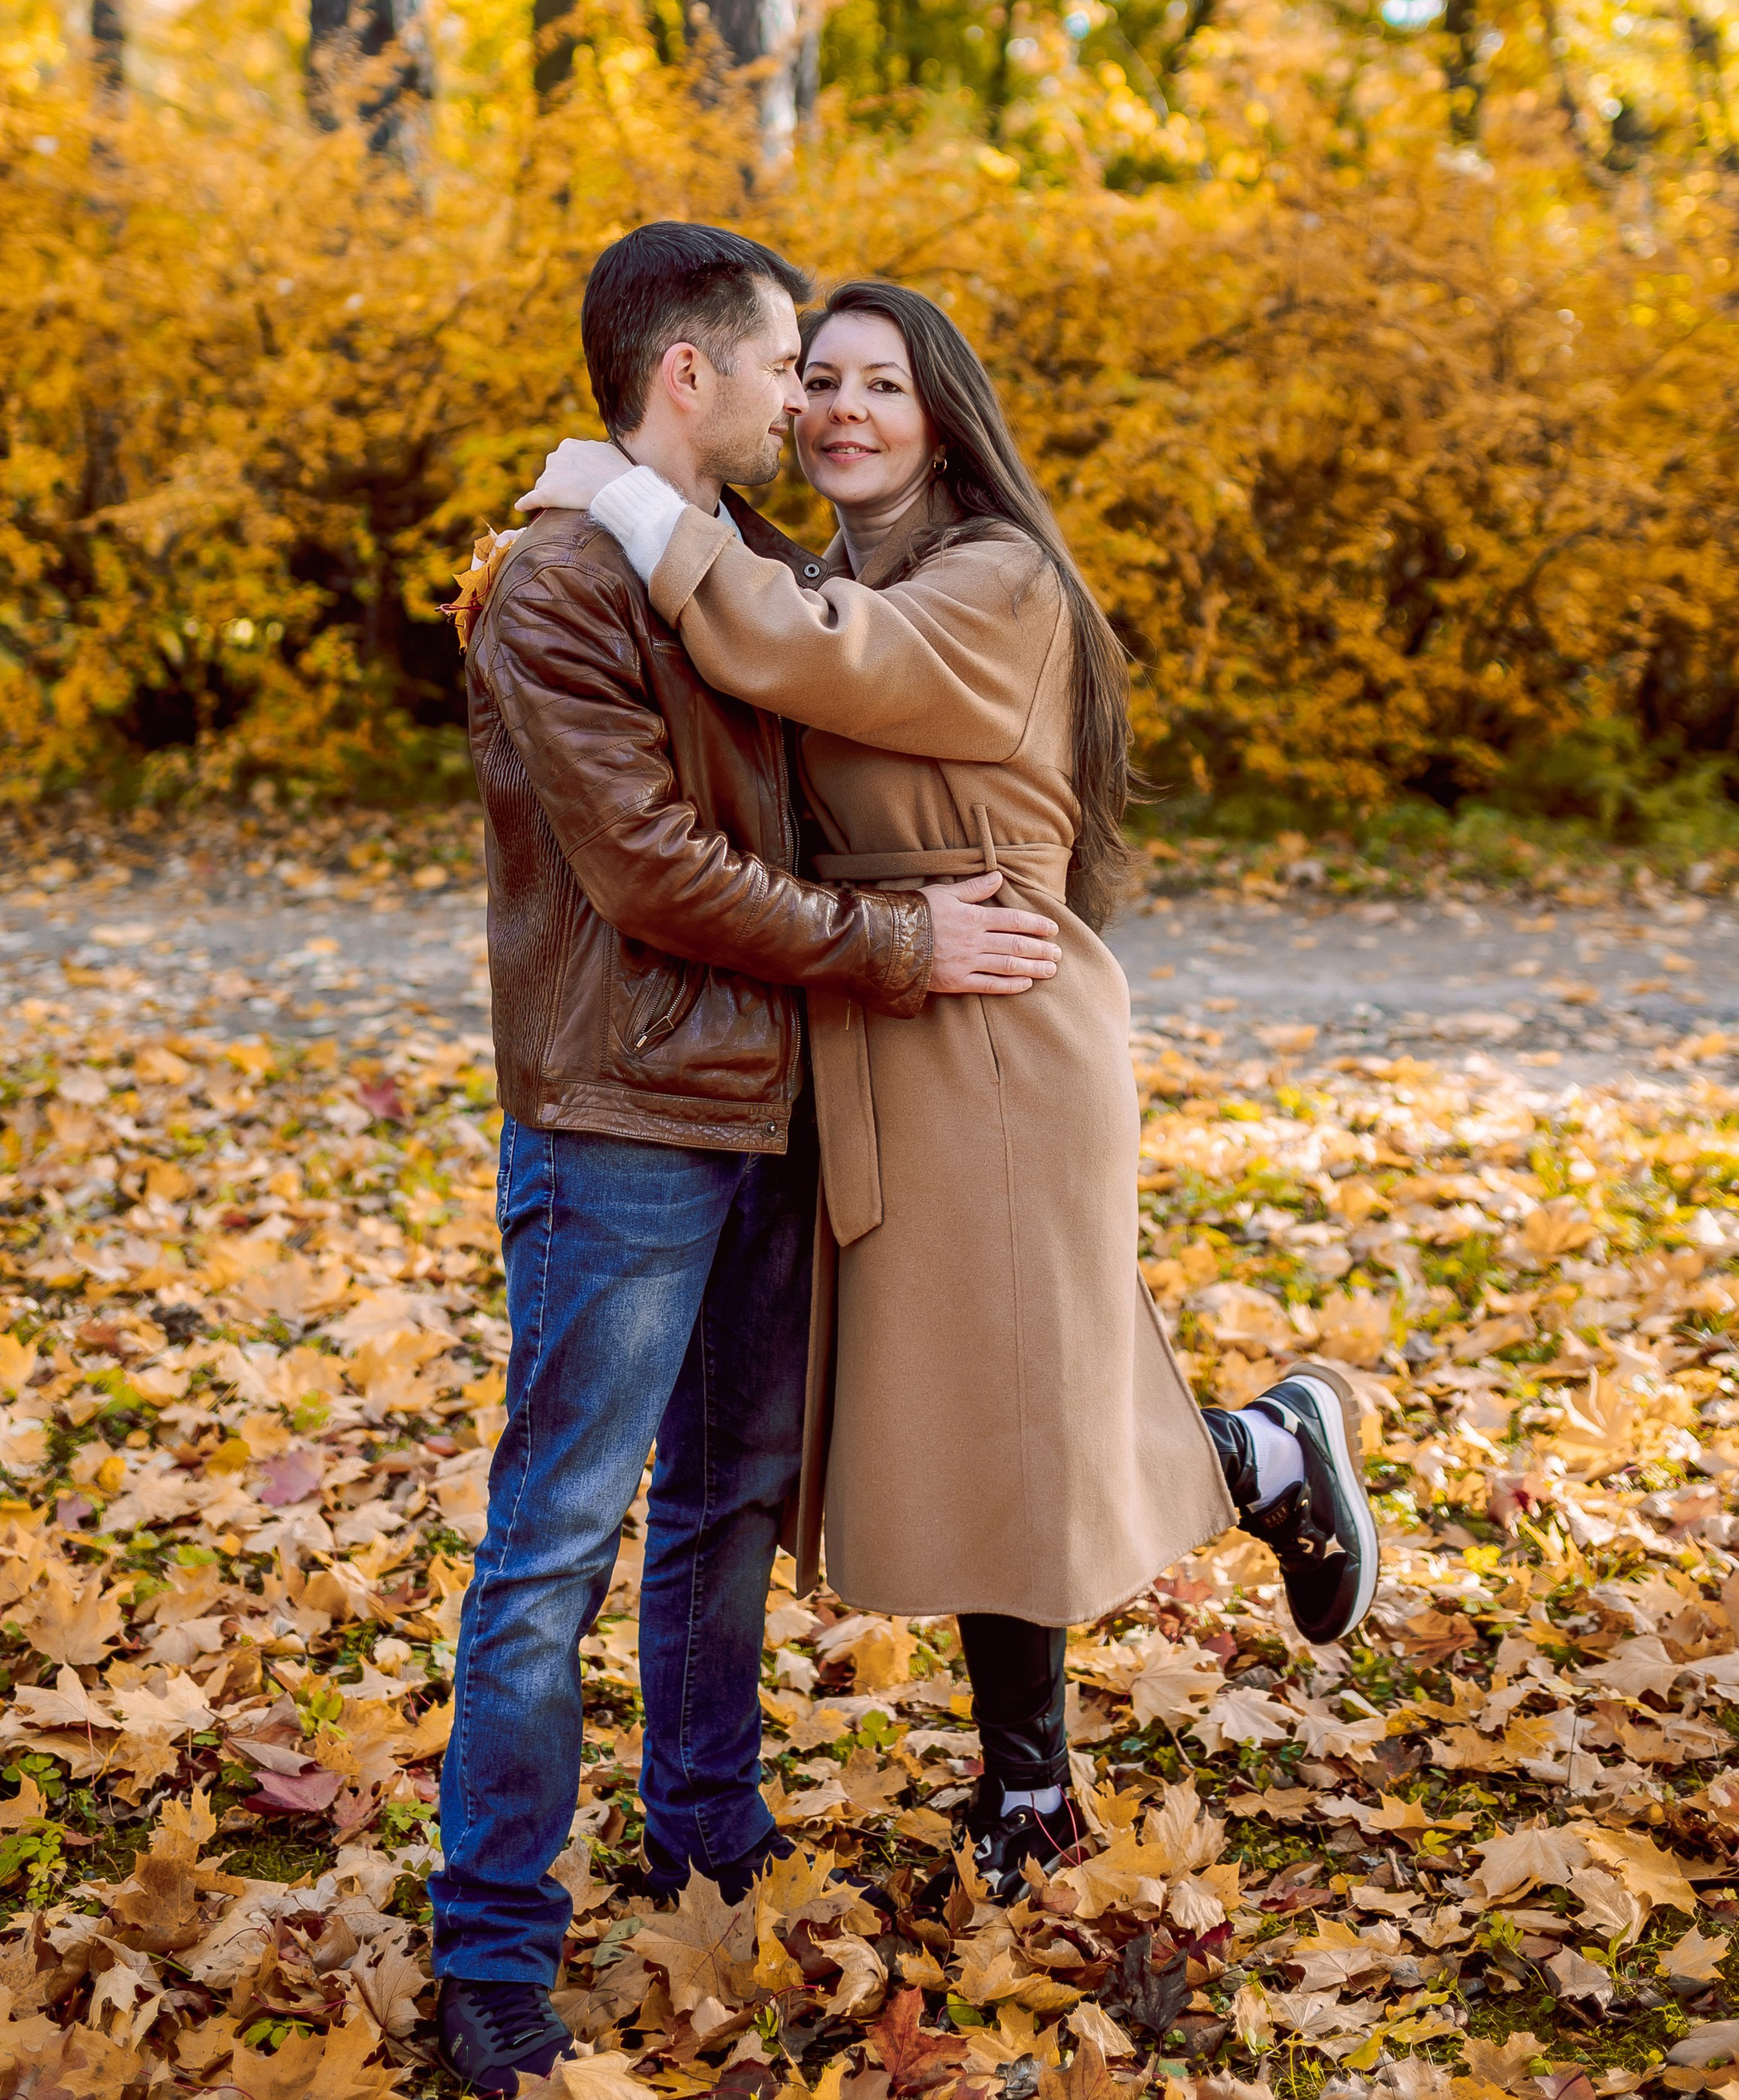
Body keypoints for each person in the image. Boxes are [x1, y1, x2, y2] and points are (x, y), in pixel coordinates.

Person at [521, 277, 1379, 1900]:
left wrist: (621, 487)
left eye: (879, 387)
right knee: (971, 1417)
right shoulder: (846, 565)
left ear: (943, 417)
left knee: (1004, 1408)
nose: (839, 410)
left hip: (993, 1022)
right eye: (818, 380)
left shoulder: (990, 578)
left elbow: (802, 654)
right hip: (887, 999)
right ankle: (1255, 1457)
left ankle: (1036, 1783)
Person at [433, 224, 1067, 2099]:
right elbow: (651, 871)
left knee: (721, 1513)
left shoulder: (745, 569)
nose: (809, 398)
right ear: (688, 373)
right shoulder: (555, 584)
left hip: (769, 1108)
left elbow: (841, 739)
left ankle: (708, 1846)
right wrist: (897, 949)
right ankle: (490, 1950)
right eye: (787, 362)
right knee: (554, 1537)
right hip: (624, 1119)